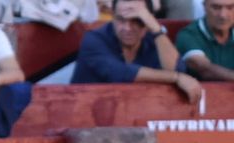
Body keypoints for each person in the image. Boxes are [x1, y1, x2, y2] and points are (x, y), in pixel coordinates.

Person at [73, 0, 202, 106]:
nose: (127, 28)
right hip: (87, 118)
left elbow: (176, 68)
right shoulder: (94, 39)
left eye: (137, 20)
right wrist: (175, 78)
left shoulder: (153, 39)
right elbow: (120, 73)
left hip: (135, 117)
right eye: (120, 19)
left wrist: (155, 28)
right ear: (112, 17)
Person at [176, 0, 234, 83]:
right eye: (216, 7)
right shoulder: (189, 34)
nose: (223, 15)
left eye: (230, 7)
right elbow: (204, 69)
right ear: (204, 6)